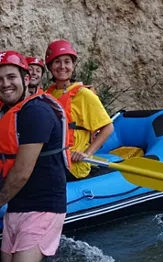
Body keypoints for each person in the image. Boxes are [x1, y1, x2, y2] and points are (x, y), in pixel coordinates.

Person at [0, 50, 71, 262]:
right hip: (18, 203)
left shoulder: (36, 112)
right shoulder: (4, 111)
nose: (5, 84)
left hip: (43, 205)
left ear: (26, 79)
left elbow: (22, 172)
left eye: (11, 77)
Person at [43, 39, 115, 181]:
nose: (62, 66)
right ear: (50, 66)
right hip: (54, 162)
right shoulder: (48, 95)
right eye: (57, 62)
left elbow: (108, 127)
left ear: (73, 66)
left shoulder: (84, 94)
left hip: (74, 166)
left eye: (67, 61)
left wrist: (87, 154)